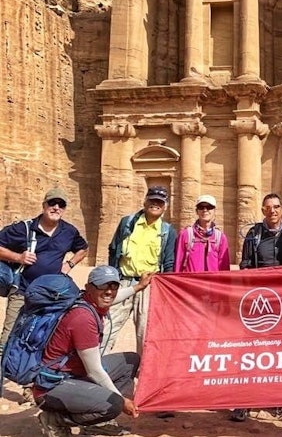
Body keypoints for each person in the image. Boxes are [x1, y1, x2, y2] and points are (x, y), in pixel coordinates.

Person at [33, 265, 152, 437]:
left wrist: (138, 286)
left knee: (131, 360)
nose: (109, 292)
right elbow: (95, 371)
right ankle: (55, 419)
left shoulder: (88, 301)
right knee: (114, 404)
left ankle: (96, 421)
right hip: (52, 387)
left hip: (73, 375)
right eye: (103, 286)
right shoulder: (83, 318)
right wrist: (122, 400)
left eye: (114, 286)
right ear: (89, 287)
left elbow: (112, 297)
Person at [0, 188, 88, 356]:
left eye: (61, 204)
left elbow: (83, 248)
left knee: (41, 336)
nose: (56, 207)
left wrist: (69, 264)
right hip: (22, 290)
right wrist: (18, 257)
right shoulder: (24, 228)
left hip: (50, 295)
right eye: (52, 203)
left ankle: (27, 375)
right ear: (44, 205)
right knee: (8, 337)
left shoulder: (69, 231)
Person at [230, 193, 282, 422]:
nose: (273, 211)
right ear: (263, 210)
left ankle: (277, 399)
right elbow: (245, 267)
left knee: (280, 352)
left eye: (276, 207)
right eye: (268, 208)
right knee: (252, 351)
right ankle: (244, 401)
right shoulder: (254, 234)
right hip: (258, 300)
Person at [106, 185, 176, 354]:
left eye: (159, 202)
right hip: (124, 281)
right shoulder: (127, 223)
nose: (155, 204)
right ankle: (98, 368)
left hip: (148, 285)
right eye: (152, 200)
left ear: (165, 206)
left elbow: (168, 263)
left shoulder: (167, 231)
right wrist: (113, 279)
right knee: (109, 325)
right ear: (145, 202)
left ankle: (143, 373)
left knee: (145, 332)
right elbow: (114, 249)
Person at [174, 194, 230, 272]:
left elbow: (224, 267)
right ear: (197, 211)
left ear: (214, 211)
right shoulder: (186, 235)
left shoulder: (220, 237)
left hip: (212, 282)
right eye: (201, 207)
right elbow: (178, 263)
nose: (205, 210)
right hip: (190, 282)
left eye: (209, 207)